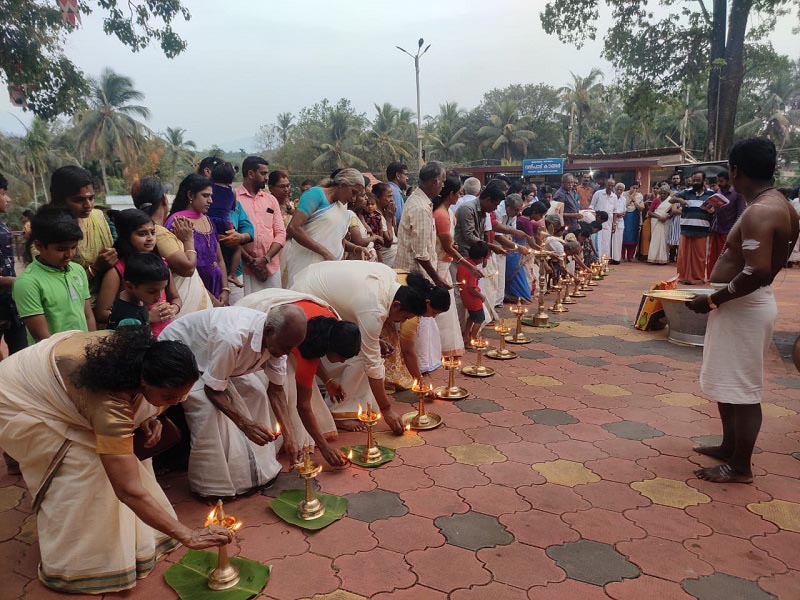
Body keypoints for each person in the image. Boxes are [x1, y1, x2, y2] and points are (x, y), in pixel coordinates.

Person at [0, 326, 234, 594]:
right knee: (84, 468)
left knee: (123, 460)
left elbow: (149, 404)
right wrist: (187, 534)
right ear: (143, 382)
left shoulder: (146, 362)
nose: (178, 401)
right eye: (170, 397)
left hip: (69, 381)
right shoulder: (109, 402)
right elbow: (128, 490)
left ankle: (139, 542)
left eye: (182, 394)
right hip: (23, 397)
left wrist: (152, 417)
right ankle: (78, 566)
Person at [688, 137, 799, 484]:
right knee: (727, 383)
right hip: (741, 303)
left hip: (745, 305)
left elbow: (757, 271)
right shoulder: (778, 204)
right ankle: (728, 446)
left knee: (744, 389)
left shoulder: (760, 211)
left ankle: (740, 466)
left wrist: (711, 300)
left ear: (736, 171)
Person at [160, 305, 307, 497]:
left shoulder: (279, 341)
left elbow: (276, 390)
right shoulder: (232, 336)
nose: (287, 352)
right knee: (208, 410)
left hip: (224, 363)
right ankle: (213, 486)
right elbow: (212, 390)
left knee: (257, 394)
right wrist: (246, 425)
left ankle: (259, 473)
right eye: (286, 347)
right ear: (269, 331)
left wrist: (290, 437)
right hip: (184, 360)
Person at [292, 262, 449, 434]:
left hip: (314, 277)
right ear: (396, 305)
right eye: (404, 317)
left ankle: (346, 402)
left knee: (366, 353)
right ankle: (339, 412)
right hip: (307, 295)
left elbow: (352, 305)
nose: (402, 322)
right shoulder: (374, 309)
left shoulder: (389, 276)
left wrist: (376, 341)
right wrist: (387, 409)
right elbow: (372, 364)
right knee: (360, 357)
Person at [238, 288, 362, 466]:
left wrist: (328, 381)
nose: (342, 361)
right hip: (261, 316)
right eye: (343, 356)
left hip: (280, 308)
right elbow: (303, 406)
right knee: (277, 383)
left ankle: (289, 436)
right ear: (331, 347)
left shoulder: (331, 325)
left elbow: (316, 350)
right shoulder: (304, 344)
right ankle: (273, 441)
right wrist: (325, 447)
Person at [13, 207, 96, 344]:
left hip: (83, 352)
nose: (69, 254)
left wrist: (93, 346)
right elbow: (42, 338)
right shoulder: (28, 282)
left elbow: (88, 316)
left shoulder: (78, 270)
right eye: (61, 249)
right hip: (51, 358)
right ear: (39, 246)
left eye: (74, 247)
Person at [132, 178, 213, 315]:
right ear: (164, 200)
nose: (210, 200)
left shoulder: (151, 231)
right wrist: (188, 240)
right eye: (205, 195)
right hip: (183, 312)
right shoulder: (159, 233)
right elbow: (188, 269)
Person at [95, 209, 181, 336]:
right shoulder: (117, 270)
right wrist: (146, 316)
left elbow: (175, 297)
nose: (150, 238)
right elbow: (102, 313)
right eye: (142, 234)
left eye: (152, 233)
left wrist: (174, 308)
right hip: (136, 336)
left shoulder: (161, 264)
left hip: (165, 333)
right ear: (126, 236)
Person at [283, 168, 364, 288]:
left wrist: (357, 248)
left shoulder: (342, 206)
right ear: (342, 185)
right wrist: (325, 253)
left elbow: (338, 239)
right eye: (353, 192)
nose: (354, 198)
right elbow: (294, 228)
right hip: (306, 264)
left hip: (330, 267)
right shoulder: (315, 194)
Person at [47, 166, 116, 304]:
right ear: (59, 200)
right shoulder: (47, 230)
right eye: (79, 200)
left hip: (106, 302)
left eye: (91, 198)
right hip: (71, 306)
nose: (88, 205)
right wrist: (94, 269)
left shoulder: (98, 216)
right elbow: (53, 286)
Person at [433, 172, 477, 357]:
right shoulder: (441, 214)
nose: (460, 196)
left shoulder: (449, 213)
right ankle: (438, 347)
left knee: (448, 309)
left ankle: (445, 346)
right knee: (442, 308)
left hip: (446, 261)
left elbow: (450, 244)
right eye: (459, 193)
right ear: (450, 194)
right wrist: (468, 265)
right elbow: (446, 247)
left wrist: (453, 247)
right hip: (440, 264)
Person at [167, 174, 229, 304]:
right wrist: (211, 300)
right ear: (190, 196)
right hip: (194, 292)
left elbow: (219, 259)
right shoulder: (178, 223)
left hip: (218, 290)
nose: (210, 201)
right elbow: (181, 268)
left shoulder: (208, 220)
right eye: (205, 196)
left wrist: (225, 289)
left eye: (211, 196)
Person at [234, 157, 286, 294]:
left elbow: (281, 233)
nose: (267, 178)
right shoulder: (233, 198)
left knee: (274, 308)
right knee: (248, 310)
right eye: (263, 174)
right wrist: (252, 262)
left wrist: (265, 259)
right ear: (251, 174)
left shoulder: (270, 200)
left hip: (271, 267)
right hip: (244, 269)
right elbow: (231, 235)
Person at [395, 160, 449, 287]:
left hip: (414, 275)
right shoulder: (421, 208)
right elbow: (421, 254)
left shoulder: (417, 200)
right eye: (443, 182)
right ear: (435, 182)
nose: (443, 186)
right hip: (415, 277)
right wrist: (436, 279)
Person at [670, 170, 714, 284]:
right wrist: (680, 200)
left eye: (698, 180)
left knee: (700, 257)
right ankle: (682, 277)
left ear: (704, 181)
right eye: (693, 180)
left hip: (702, 229)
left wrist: (712, 209)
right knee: (683, 256)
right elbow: (671, 199)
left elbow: (716, 208)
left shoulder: (711, 193)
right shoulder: (686, 192)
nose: (695, 182)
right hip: (686, 228)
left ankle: (698, 278)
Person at [107, 253, 171, 330]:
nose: (159, 296)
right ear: (129, 286)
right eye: (151, 292)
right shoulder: (130, 320)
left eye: (163, 288)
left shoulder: (131, 297)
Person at [0, 174, 26, 355]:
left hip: (10, 302)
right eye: (3, 193)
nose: (8, 199)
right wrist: (5, 281)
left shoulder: (2, 225)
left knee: (22, 351)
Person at [707, 170, 747, 275]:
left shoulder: (738, 193)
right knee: (714, 254)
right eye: (718, 182)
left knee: (726, 255)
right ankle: (713, 275)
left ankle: (725, 275)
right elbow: (714, 210)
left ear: (729, 181)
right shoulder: (718, 192)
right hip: (717, 228)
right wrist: (712, 209)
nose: (719, 184)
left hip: (729, 229)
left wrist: (736, 231)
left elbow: (741, 212)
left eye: (721, 181)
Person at [458, 241, 489, 343]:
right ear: (481, 258)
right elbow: (472, 288)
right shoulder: (473, 269)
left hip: (464, 296)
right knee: (479, 319)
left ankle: (466, 336)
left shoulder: (464, 263)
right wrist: (481, 296)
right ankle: (473, 339)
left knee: (471, 317)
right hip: (473, 299)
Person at [589, 178, 616, 259]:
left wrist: (614, 224)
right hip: (598, 221)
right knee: (597, 240)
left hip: (608, 222)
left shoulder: (614, 197)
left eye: (612, 186)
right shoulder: (598, 193)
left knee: (606, 241)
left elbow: (615, 211)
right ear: (606, 184)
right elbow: (592, 206)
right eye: (609, 185)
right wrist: (594, 218)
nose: (610, 187)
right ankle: (597, 259)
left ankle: (604, 260)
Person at [373, 182, 397, 265]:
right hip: (387, 258)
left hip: (394, 255)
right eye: (388, 196)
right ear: (378, 198)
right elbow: (388, 242)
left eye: (392, 196)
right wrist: (389, 219)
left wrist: (392, 216)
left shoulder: (386, 212)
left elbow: (396, 234)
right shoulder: (375, 216)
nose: (391, 200)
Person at [647, 185, 672, 264]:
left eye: (665, 193)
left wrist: (666, 217)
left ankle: (663, 259)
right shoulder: (656, 200)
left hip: (665, 221)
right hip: (656, 221)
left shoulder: (670, 201)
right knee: (655, 239)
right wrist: (659, 217)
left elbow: (672, 212)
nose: (663, 195)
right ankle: (653, 258)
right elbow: (650, 212)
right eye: (661, 193)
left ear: (668, 194)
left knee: (664, 240)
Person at [622, 183, 644, 262]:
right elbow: (623, 206)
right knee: (623, 235)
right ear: (630, 187)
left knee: (633, 236)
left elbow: (641, 208)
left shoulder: (639, 196)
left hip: (634, 217)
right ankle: (622, 256)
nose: (634, 190)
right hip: (625, 216)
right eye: (633, 187)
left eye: (636, 188)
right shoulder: (623, 194)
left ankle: (630, 256)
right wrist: (630, 198)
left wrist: (634, 201)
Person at [610, 182, 627, 264]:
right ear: (615, 189)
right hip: (612, 221)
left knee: (619, 241)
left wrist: (622, 214)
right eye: (618, 189)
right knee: (612, 240)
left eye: (621, 190)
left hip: (620, 222)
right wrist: (617, 214)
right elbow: (611, 210)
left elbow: (624, 209)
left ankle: (617, 258)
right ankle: (611, 258)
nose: (619, 191)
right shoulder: (612, 197)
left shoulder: (624, 199)